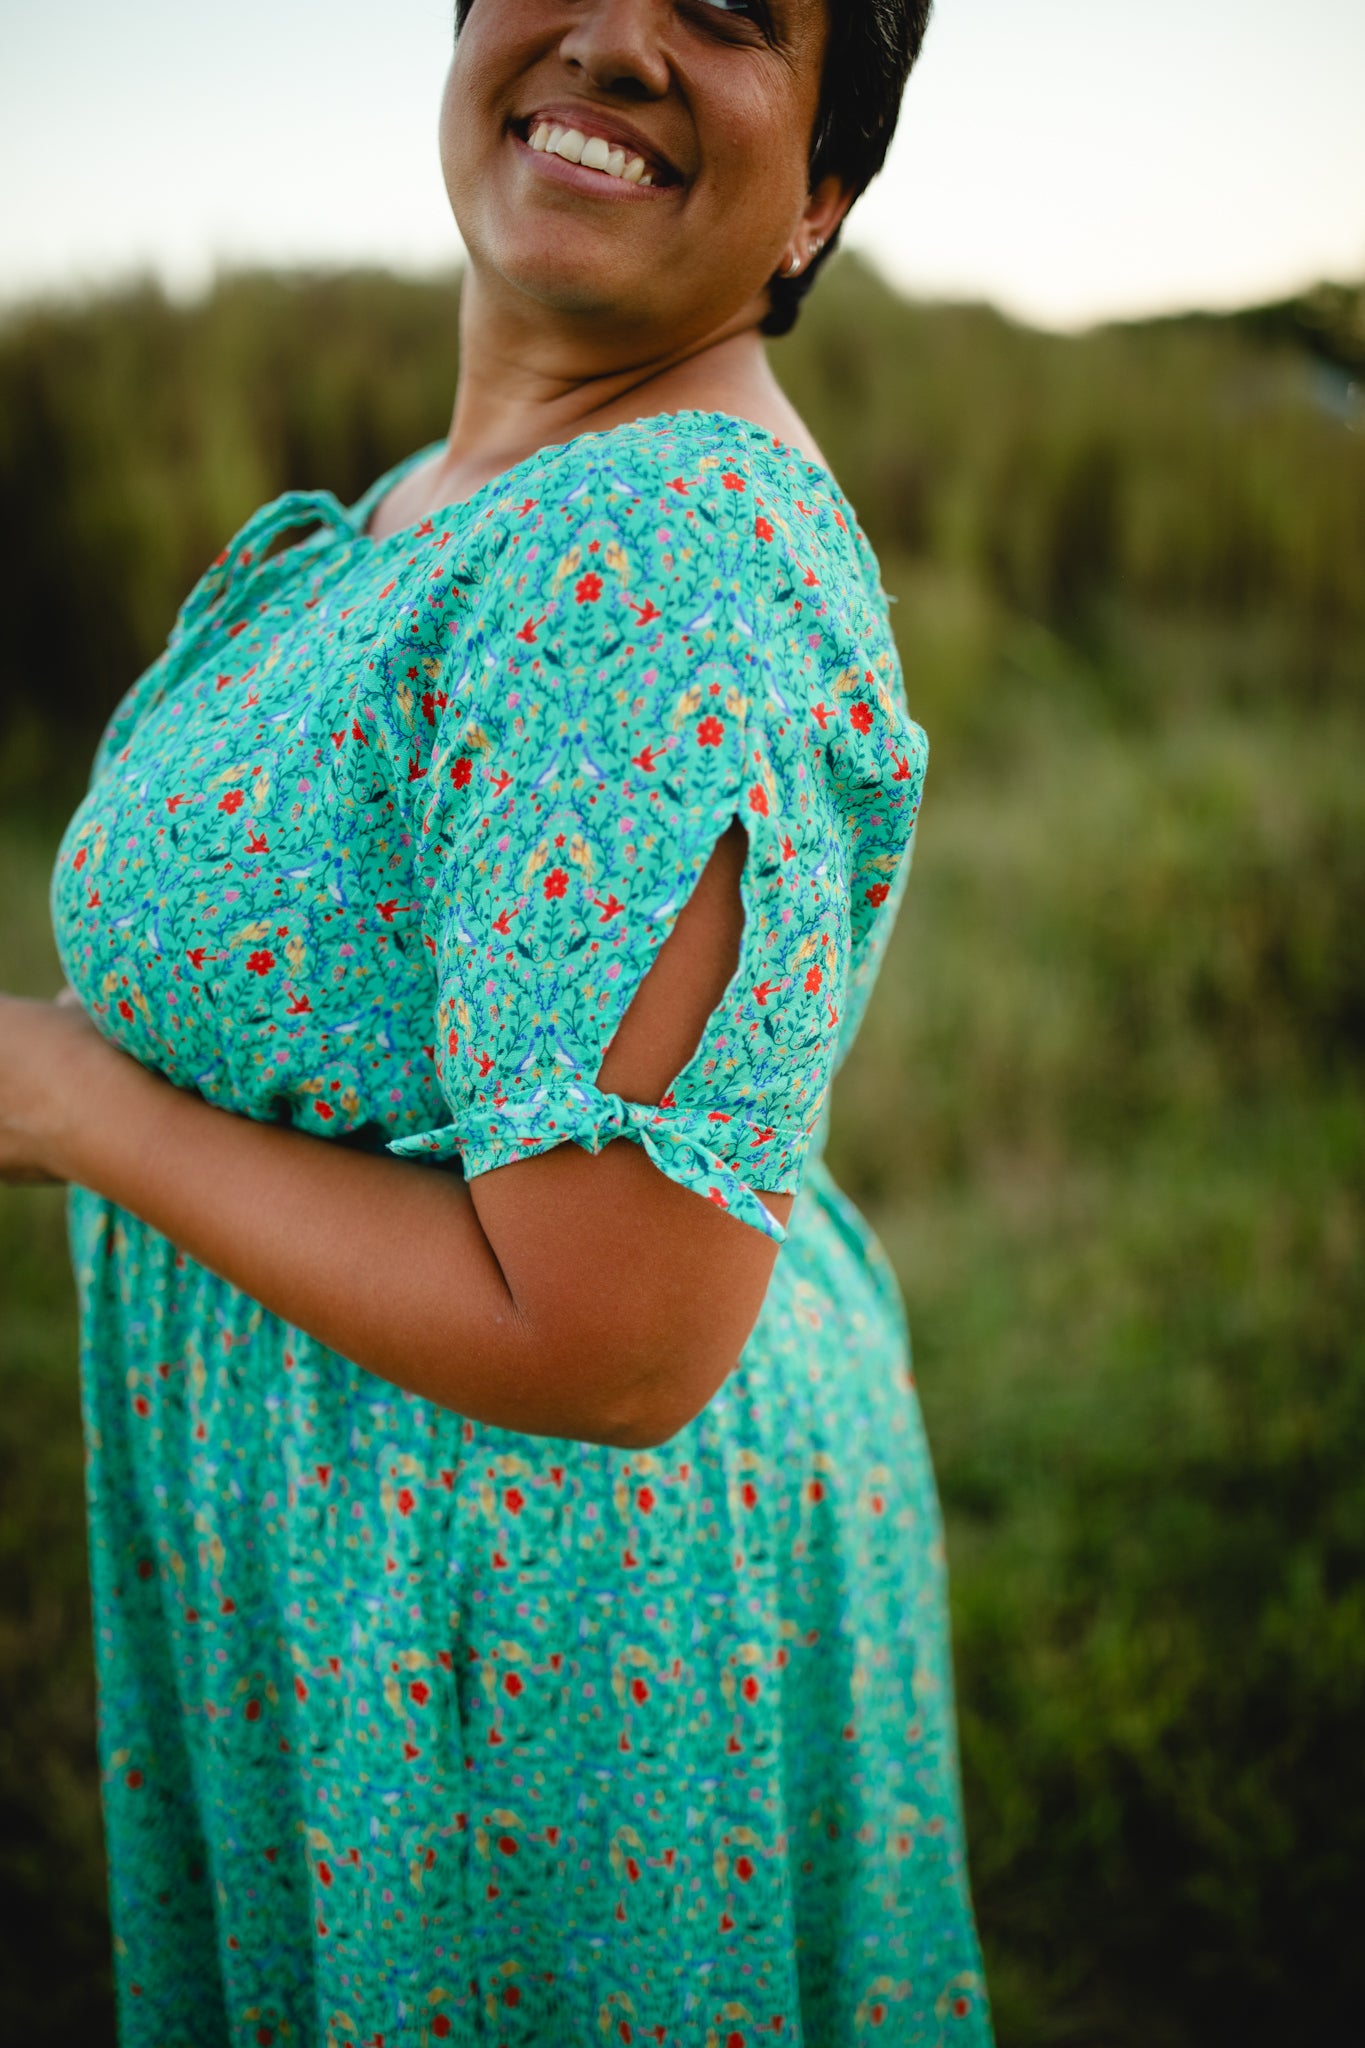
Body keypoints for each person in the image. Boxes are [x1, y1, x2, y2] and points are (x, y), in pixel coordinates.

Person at [0, 0, 993, 2040]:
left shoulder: (660, 554)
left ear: (816, 197)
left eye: (724, 14)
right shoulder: (463, 492)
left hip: (523, 1631)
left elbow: (611, 1339)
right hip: (398, 1564)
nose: (615, 35)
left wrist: (76, 1104)